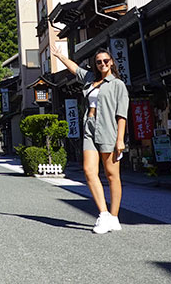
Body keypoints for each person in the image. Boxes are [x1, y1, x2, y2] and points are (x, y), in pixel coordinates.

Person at [51, 42, 129, 234]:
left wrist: (120, 139)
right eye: (99, 61)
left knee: (112, 176)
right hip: (89, 127)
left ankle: (114, 216)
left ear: (111, 63)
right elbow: (75, 69)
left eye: (105, 61)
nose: (102, 64)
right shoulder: (90, 79)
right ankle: (103, 214)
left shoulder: (117, 85)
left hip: (109, 130)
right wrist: (60, 57)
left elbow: (122, 115)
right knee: (88, 170)